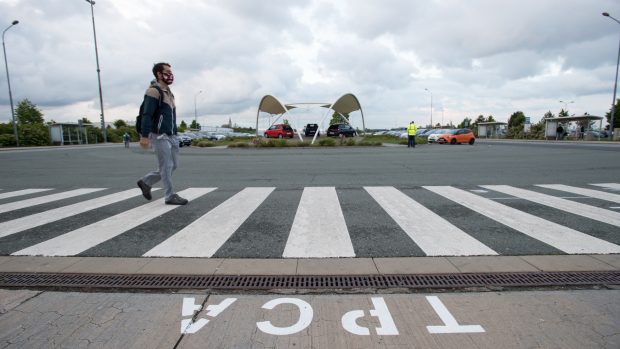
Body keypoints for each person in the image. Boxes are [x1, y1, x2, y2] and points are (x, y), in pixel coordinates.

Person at [136, 62, 188, 205]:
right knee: (166, 166)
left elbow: (171, 116)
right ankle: (170, 195)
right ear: (159, 74)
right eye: (167, 72)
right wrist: (145, 136)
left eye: (171, 72)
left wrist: (175, 133)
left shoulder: (169, 93)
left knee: (174, 165)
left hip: (171, 135)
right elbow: (146, 114)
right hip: (159, 134)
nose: (170, 75)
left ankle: (146, 182)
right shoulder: (153, 91)